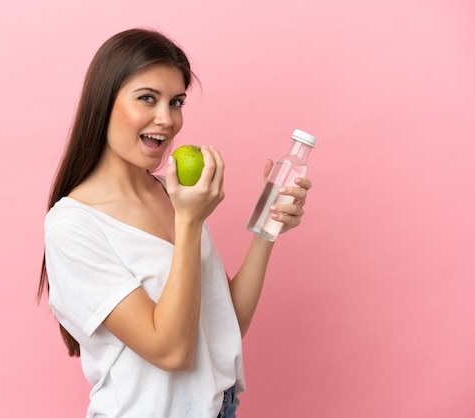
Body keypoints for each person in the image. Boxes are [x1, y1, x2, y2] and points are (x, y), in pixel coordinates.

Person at [38, 28, 312, 418]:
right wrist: (189, 223)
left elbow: (222, 324)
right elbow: (171, 351)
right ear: (104, 102)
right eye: (147, 98)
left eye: (177, 101)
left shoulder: (174, 193)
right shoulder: (73, 226)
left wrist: (268, 226)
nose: (167, 119)